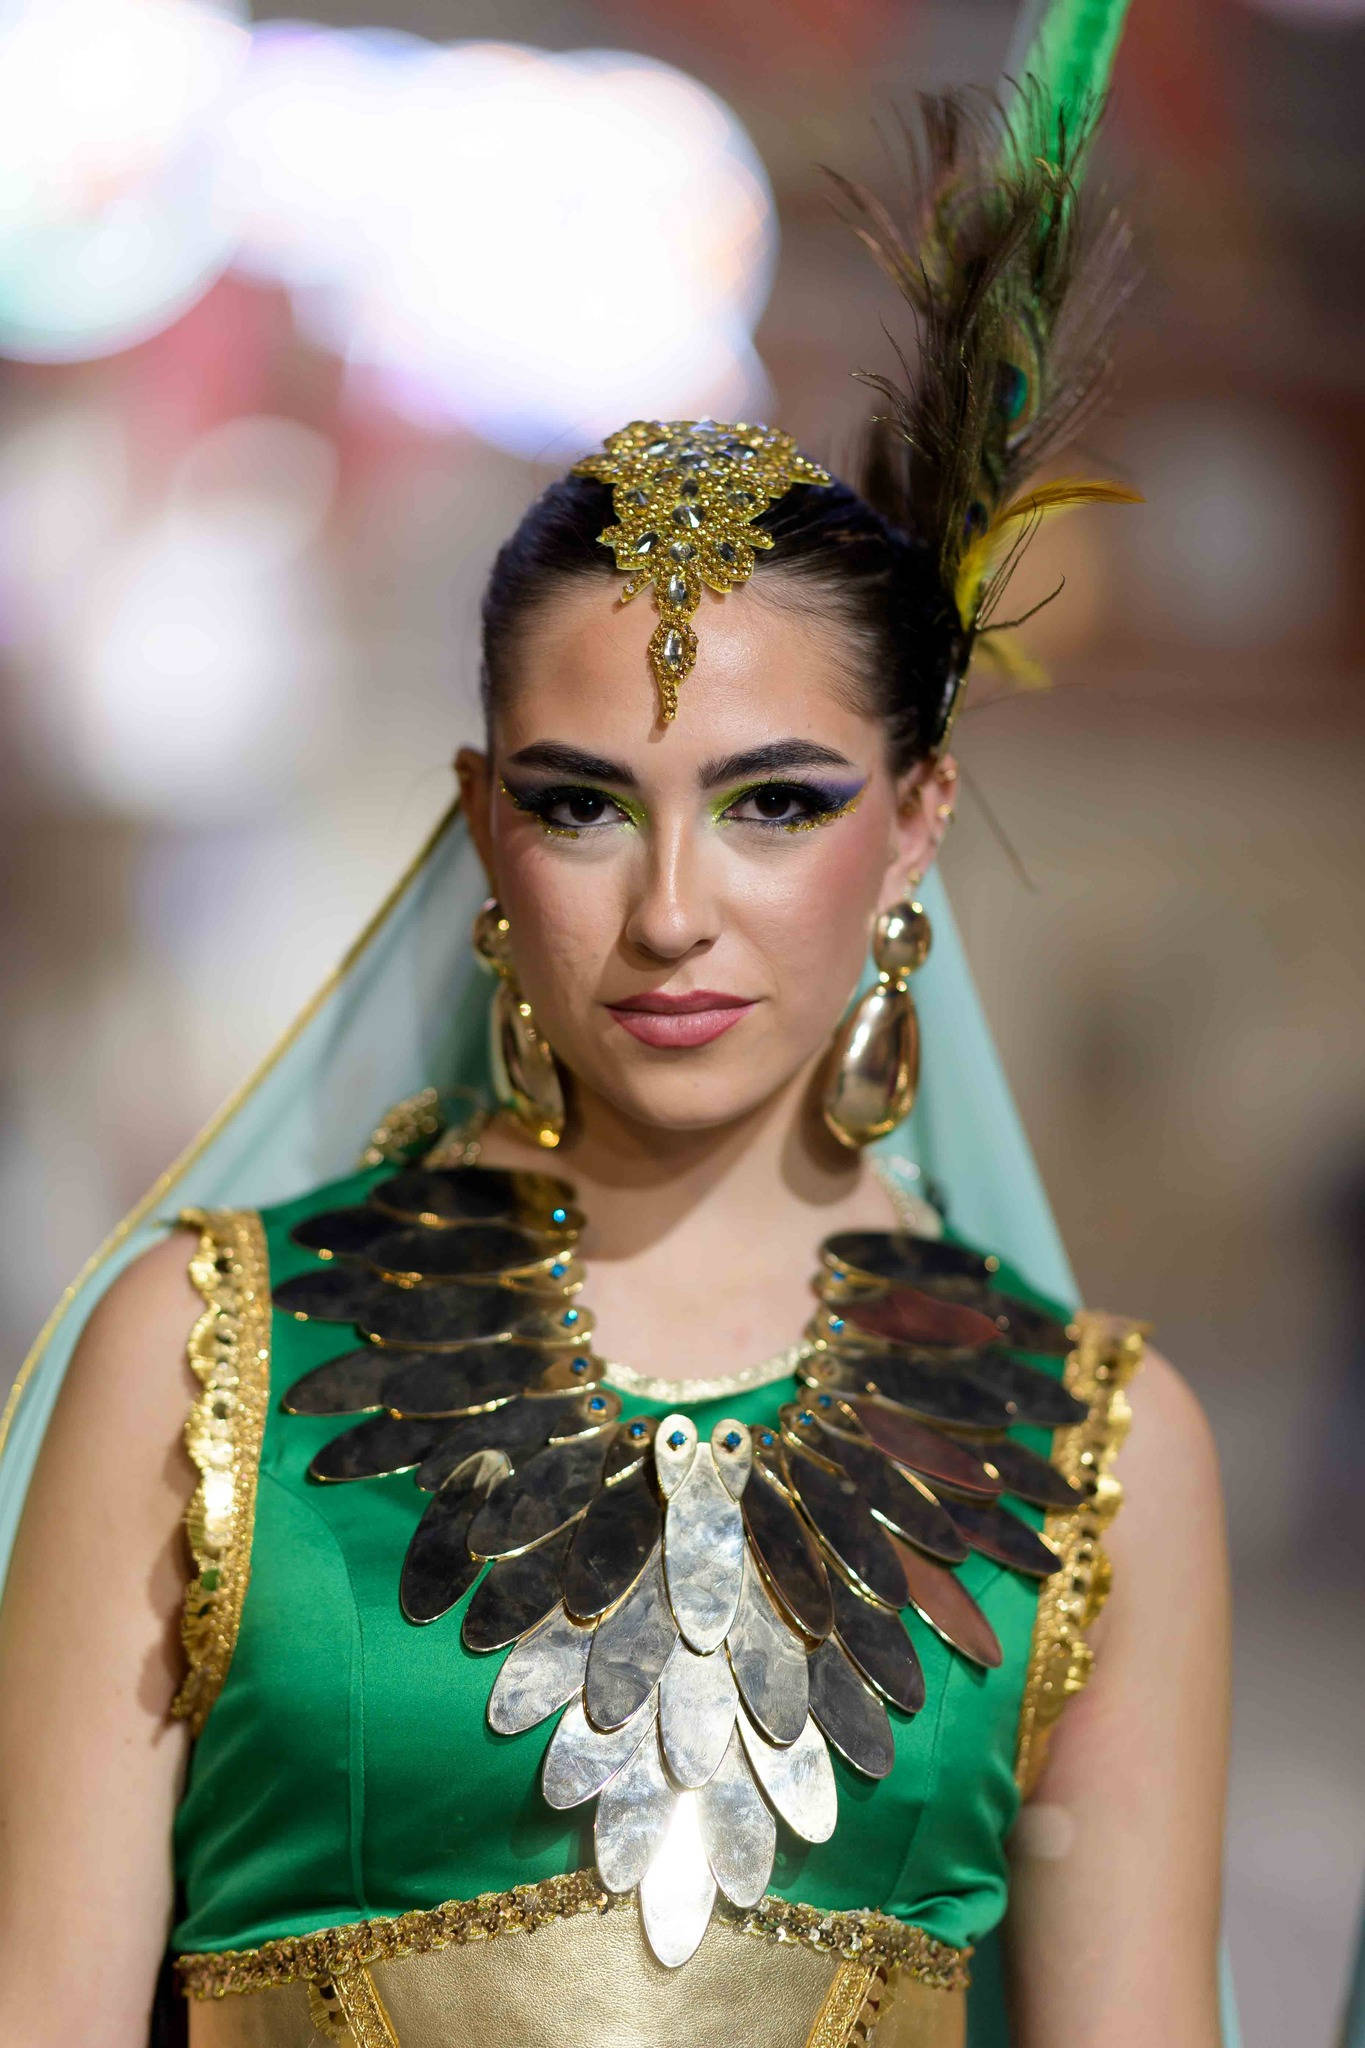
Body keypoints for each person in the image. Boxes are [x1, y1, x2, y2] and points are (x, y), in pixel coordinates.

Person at [0, 10, 1234, 2045]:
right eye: (583, 803)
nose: (670, 908)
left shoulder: (1094, 1451)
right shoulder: (201, 1358)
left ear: (914, 820)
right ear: (485, 823)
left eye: (774, 804)